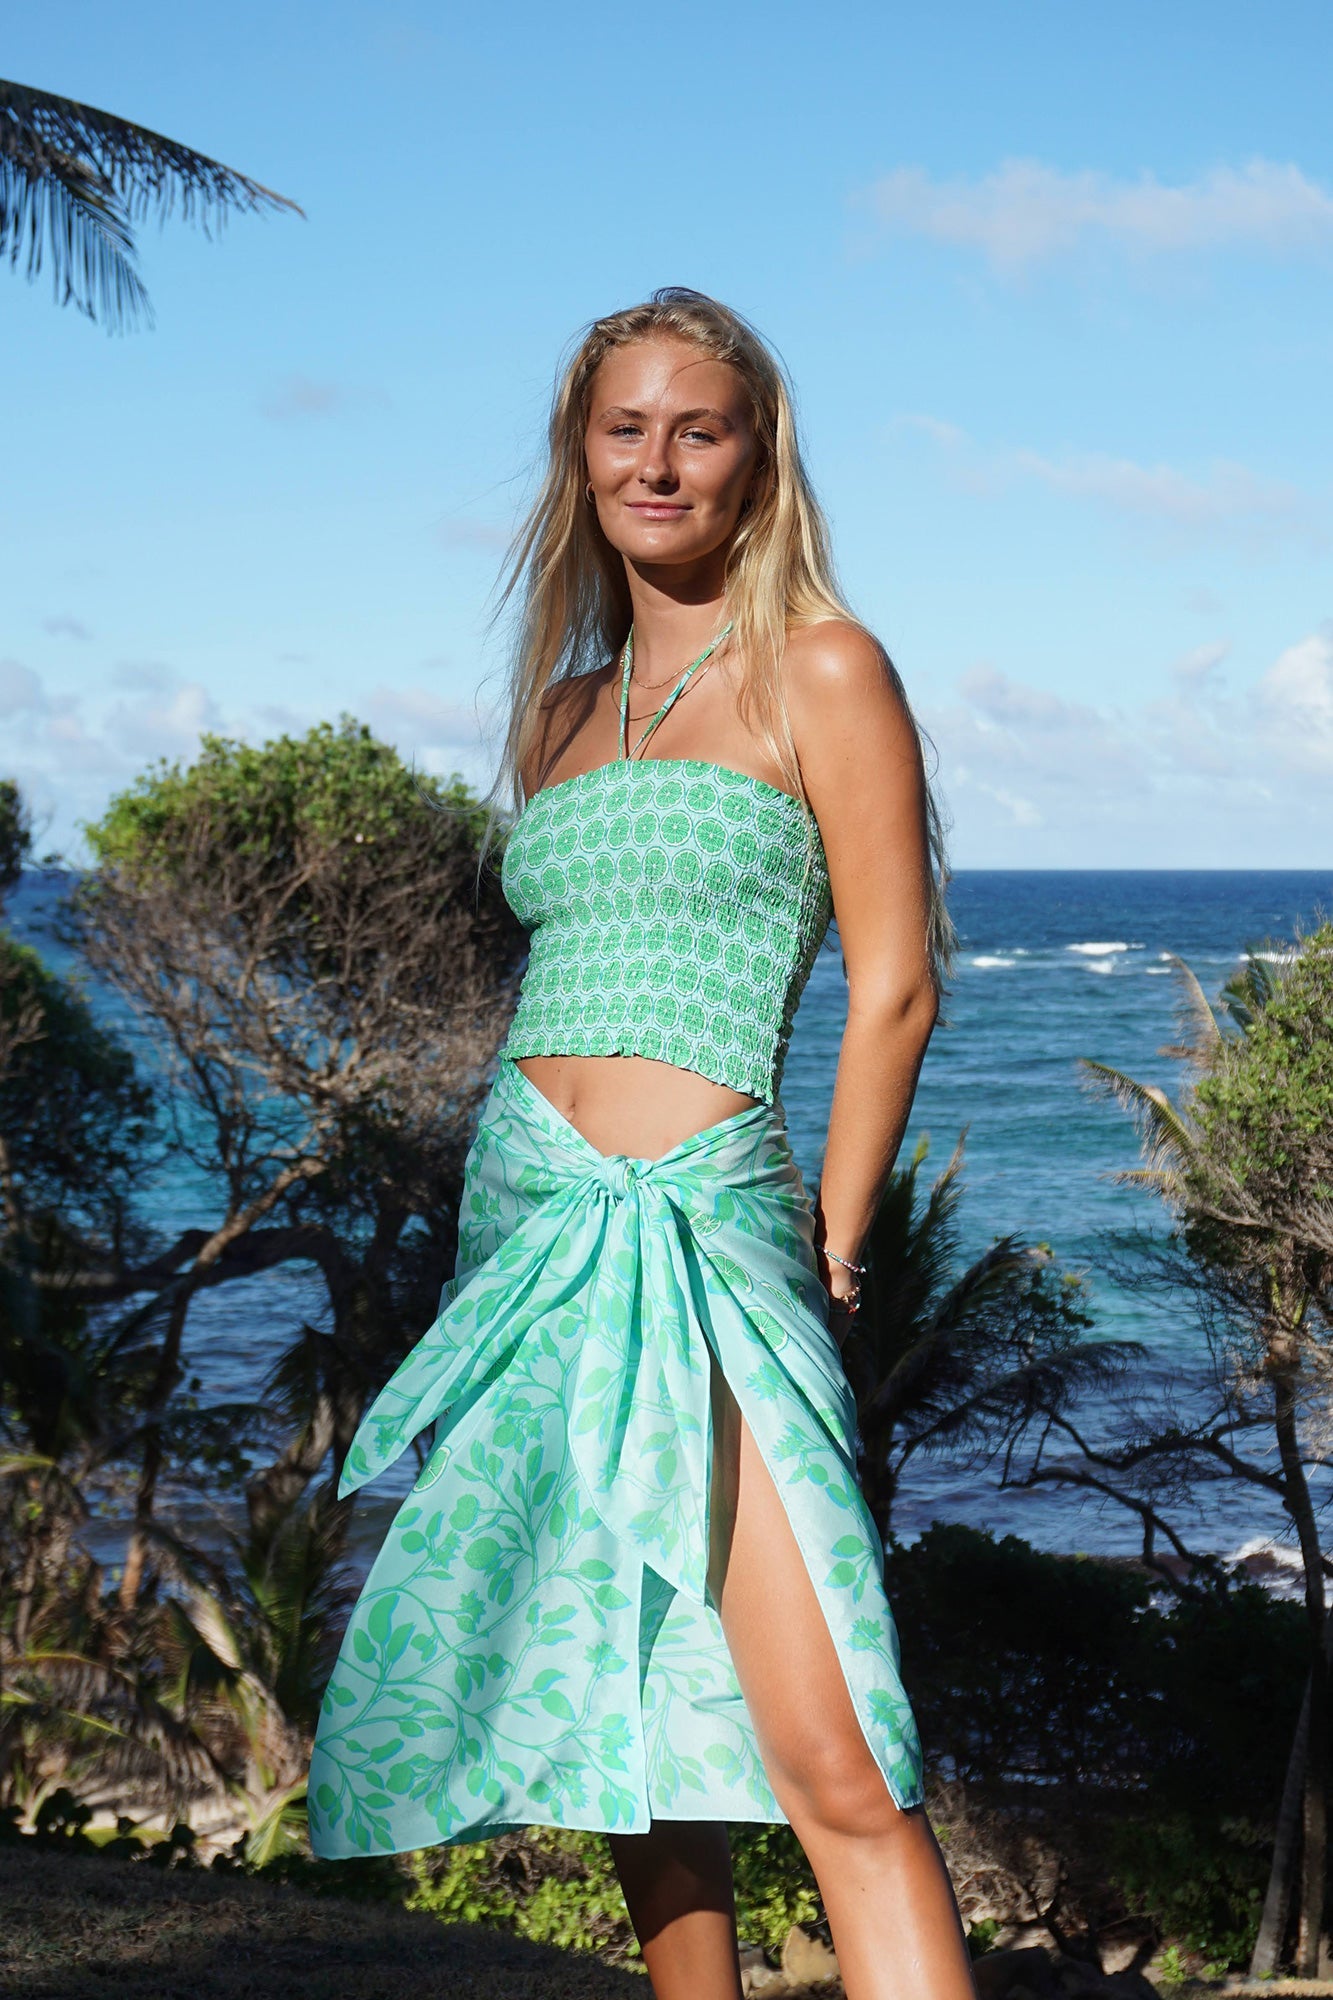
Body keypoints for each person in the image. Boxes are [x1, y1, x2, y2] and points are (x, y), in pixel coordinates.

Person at [309, 287, 978, 1999]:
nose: (659, 462)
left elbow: (893, 987)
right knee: (618, 1721)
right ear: (580, 455)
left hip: (705, 1233)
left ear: (758, 459)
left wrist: (828, 1246)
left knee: (831, 1750)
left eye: (701, 427)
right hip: (527, 1229)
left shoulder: (821, 665)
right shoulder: (558, 716)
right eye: (627, 428)